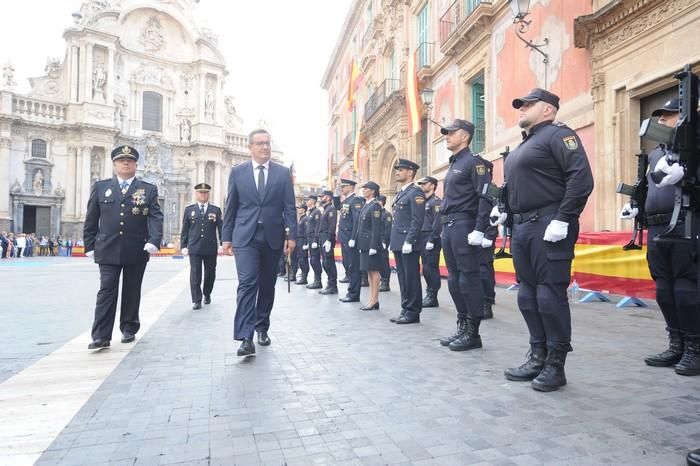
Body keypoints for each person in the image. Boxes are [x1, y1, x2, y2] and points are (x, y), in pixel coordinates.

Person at [492, 89, 594, 391]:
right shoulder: (527, 142)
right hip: (523, 228)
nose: (520, 109)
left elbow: (581, 178)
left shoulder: (558, 135)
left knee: (549, 295)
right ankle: (537, 354)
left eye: (528, 104)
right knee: (527, 295)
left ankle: (555, 364)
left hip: (549, 225)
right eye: (520, 104)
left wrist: (564, 218)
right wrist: (504, 212)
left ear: (548, 110)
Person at [625, 97, 699, 376]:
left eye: (668, 115)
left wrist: (690, 172)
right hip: (656, 228)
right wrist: (636, 206)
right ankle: (676, 343)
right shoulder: (655, 154)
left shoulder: (694, 146)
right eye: (660, 116)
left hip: (684, 223)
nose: (661, 121)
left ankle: (695, 347)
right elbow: (648, 186)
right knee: (664, 289)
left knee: (685, 287)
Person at [222, 129, 296, 357]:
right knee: (247, 283)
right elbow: (231, 206)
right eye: (260, 143)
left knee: (266, 285)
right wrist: (226, 237)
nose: (265, 147)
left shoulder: (282, 173)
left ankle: (262, 327)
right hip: (245, 236)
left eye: (267, 143)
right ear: (250, 147)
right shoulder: (238, 172)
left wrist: (292, 236)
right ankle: (245, 337)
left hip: (272, 237)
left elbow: (289, 206)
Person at [83, 145, 164, 350]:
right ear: (114, 164)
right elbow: (91, 218)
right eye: (121, 160)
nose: (125, 163)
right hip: (107, 248)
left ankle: (129, 327)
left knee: (132, 289)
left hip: (136, 248)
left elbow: (155, 217)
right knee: (106, 291)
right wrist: (89, 244)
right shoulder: (101, 187)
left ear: (136, 165)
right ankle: (101, 335)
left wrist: (154, 240)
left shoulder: (148, 189)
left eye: (129, 160)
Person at [437, 119, 492, 351]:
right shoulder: (454, 163)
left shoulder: (474, 163)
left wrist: (480, 228)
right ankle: (462, 325)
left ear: (465, 136)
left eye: (452, 133)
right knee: (454, 280)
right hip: (449, 226)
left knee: (468, 279)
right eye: (446, 133)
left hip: (464, 225)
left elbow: (486, 196)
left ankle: (473, 332)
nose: (447, 136)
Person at [388, 159, 425, 324]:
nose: (397, 172)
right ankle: (405, 308)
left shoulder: (415, 192)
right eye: (397, 170)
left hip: (408, 243)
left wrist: (410, 240)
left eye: (400, 170)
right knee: (403, 277)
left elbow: (417, 219)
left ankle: (413, 311)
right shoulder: (401, 193)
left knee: (411, 277)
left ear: (410, 172)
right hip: (398, 241)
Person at [180, 182, 223, 310]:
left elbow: (221, 228)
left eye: (205, 193)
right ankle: (196, 300)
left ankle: (207, 293)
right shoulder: (189, 210)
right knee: (195, 273)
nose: (203, 195)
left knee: (210, 274)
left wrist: (222, 242)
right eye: (200, 192)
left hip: (210, 247)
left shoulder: (215, 210)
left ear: (208, 194)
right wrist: (184, 245)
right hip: (194, 247)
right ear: (196, 194)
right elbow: (185, 229)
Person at [354, 181, 383, 310]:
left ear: (372, 191)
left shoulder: (375, 206)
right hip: (364, 243)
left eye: (366, 189)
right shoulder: (366, 205)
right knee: (369, 271)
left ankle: (374, 300)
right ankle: (371, 299)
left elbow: (376, 228)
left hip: (371, 244)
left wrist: (373, 245)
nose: (364, 191)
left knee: (374, 271)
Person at [337, 179, 365, 303]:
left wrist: (353, 238)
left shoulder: (356, 201)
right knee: (348, 265)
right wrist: (335, 194)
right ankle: (351, 291)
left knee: (353, 266)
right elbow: (337, 206)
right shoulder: (346, 201)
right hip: (344, 238)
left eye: (344, 186)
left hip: (350, 239)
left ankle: (354, 293)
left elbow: (357, 221)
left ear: (351, 187)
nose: (342, 188)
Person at [417, 176, 442, 308]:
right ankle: (429, 293)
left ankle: (433, 296)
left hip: (431, 237)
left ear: (432, 185)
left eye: (424, 184)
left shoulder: (436, 202)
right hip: (422, 237)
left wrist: (432, 239)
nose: (422, 186)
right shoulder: (423, 202)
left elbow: (438, 222)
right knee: (426, 268)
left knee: (431, 268)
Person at [317, 190, 338, 295]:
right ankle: (329, 284)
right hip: (323, 238)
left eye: (323, 196)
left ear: (329, 197)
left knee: (329, 262)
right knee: (325, 262)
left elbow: (332, 226)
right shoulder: (325, 209)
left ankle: (333, 285)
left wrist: (329, 240)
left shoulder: (331, 209)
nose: (321, 198)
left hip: (327, 238)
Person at [305, 195, 323, 290]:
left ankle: (318, 281)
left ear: (313, 201)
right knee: (312, 260)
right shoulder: (310, 212)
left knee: (315, 260)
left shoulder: (317, 212)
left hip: (314, 239)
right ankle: (316, 280)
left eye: (308, 200)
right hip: (310, 238)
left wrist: (315, 240)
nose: (306, 202)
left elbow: (317, 227)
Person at [377, 195, 392, 292]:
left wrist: (384, 241)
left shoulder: (387, 214)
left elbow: (388, 230)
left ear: (381, 202)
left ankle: (385, 282)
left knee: (384, 262)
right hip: (376, 241)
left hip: (383, 241)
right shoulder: (377, 213)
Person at [294, 203, 310, 285]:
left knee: (303, 259)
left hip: (303, 240)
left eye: (300, 208)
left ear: (303, 209)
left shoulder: (305, 219)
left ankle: (304, 277)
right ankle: (303, 276)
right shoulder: (301, 219)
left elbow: (307, 232)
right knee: (300, 259)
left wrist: (306, 243)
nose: (298, 209)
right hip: (299, 240)